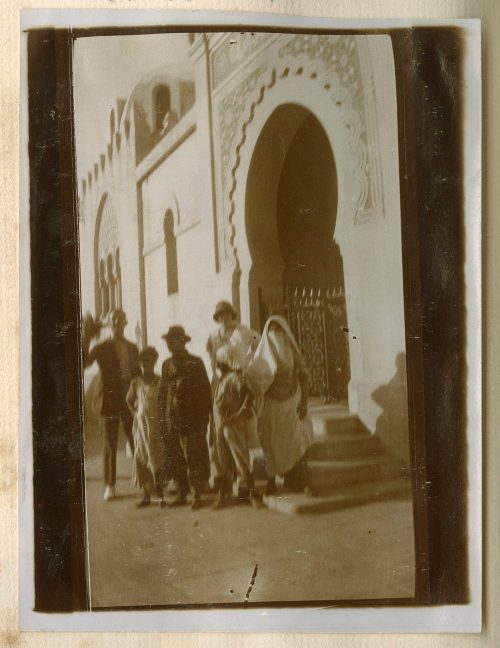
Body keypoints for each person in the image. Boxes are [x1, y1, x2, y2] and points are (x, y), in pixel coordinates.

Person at [245, 315, 313, 496]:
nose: (276, 334)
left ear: (285, 333)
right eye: (272, 331)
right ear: (267, 334)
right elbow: (254, 382)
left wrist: (304, 402)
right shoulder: (262, 356)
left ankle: (301, 482)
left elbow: (304, 376)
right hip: (271, 406)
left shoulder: (292, 352)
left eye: (279, 331)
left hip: (293, 402)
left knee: (297, 443)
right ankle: (271, 482)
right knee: (271, 444)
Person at [83, 309, 140, 501]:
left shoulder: (133, 348)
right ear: (109, 325)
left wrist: (140, 397)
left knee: (136, 439)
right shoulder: (102, 347)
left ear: (125, 323)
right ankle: (110, 485)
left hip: (129, 401)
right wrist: (85, 336)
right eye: (113, 321)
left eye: (120, 321)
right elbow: (84, 362)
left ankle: (143, 479)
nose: (117, 324)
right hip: (108, 401)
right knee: (110, 444)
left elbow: (137, 374)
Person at [206, 301, 260, 495]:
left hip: (240, 381)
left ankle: (244, 477)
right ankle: (226, 477)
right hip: (221, 382)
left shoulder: (244, 331)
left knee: (240, 428)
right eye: (220, 316)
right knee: (221, 430)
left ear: (232, 315)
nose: (224, 319)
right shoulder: (214, 336)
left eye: (227, 314)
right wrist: (217, 380)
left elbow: (260, 342)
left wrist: (250, 364)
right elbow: (213, 360)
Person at [158, 326, 212, 510]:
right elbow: (163, 394)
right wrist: (162, 419)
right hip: (172, 420)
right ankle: (182, 493)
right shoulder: (166, 365)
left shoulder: (195, 363)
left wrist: (205, 420)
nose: (171, 344)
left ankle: (196, 494)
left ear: (183, 341)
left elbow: (206, 393)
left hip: (192, 421)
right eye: (169, 341)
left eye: (175, 340)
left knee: (192, 456)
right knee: (177, 458)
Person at [212, 345, 262, 509]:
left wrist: (238, 413)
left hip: (233, 425)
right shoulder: (223, 379)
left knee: (241, 458)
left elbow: (249, 394)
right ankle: (223, 496)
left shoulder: (236, 376)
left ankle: (253, 494)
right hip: (222, 427)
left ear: (225, 361)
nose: (217, 364)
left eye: (218, 361)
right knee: (222, 460)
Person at [126, 346, 165, 508]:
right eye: (142, 362)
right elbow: (129, 399)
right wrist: (136, 413)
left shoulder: (160, 382)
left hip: (156, 426)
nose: (144, 365)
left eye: (148, 361)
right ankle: (146, 495)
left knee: (158, 458)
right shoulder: (136, 382)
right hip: (141, 428)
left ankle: (161, 495)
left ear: (154, 362)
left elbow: (165, 402)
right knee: (142, 457)